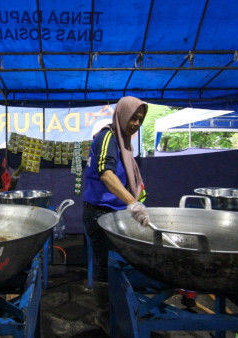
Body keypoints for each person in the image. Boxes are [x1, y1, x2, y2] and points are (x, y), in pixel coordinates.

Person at [82, 96, 149, 333]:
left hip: (116, 212)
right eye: (133, 118)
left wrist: (137, 196)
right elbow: (106, 173)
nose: (136, 123)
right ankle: (103, 314)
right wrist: (133, 203)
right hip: (100, 213)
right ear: (122, 115)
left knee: (117, 263)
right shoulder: (107, 137)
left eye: (140, 119)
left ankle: (118, 305)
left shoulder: (125, 142)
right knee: (104, 263)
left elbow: (125, 175)